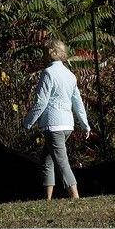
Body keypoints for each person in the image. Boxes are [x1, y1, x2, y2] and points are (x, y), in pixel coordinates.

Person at [23, 39, 91, 200]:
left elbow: (41, 101)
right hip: (67, 124)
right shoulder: (70, 75)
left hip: (53, 125)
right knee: (47, 159)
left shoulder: (48, 73)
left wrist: (28, 122)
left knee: (61, 161)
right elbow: (78, 102)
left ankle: (76, 198)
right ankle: (47, 200)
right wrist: (85, 124)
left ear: (50, 53)